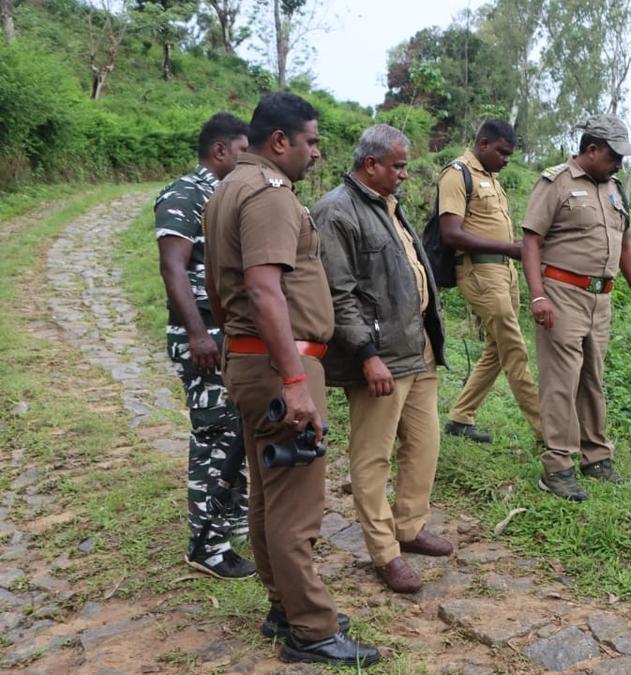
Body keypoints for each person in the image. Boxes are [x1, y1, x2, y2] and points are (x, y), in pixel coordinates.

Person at [204, 92, 378, 667]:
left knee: (269, 492)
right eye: (310, 141)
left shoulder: (228, 187)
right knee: (297, 505)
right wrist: (295, 378)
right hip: (282, 366)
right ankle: (310, 629)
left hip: (253, 360)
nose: (315, 153)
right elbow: (262, 289)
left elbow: (219, 290)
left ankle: (285, 607)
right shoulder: (270, 195)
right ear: (280, 141)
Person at [314, 124, 451, 595]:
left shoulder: (387, 205)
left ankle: (409, 527)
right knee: (372, 456)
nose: (405, 175)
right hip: (380, 356)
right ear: (370, 164)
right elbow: (339, 294)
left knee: (425, 443)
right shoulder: (336, 211)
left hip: (418, 349)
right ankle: (384, 552)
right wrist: (367, 356)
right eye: (398, 166)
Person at [521, 113, 631, 502]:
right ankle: (557, 466)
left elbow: (626, 246)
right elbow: (531, 241)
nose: (619, 164)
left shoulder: (615, 189)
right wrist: (538, 295)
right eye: (614, 156)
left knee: (592, 379)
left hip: (601, 299)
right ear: (591, 150)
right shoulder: (555, 182)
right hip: (562, 294)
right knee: (561, 382)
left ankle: (596, 457)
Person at [154, 112, 254, 580]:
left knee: (236, 429)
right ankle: (205, 545)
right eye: (241, 150)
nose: (246, 158)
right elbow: (173, 267)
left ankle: (230, 521)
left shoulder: (225, 196)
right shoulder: (184, 194)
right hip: (202, 335)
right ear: (220, 151)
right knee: (213, 435)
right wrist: (197, 335)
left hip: (227, 334)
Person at [441, 120, 542, 445]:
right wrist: (510, 248)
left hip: (504, 273)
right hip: (479, 273)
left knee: (497, 350)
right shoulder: (458, 174)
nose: (506, 160)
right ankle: (549, 432)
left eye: (510, 154)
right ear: (483, 144)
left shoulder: (492, 179)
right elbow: (451, 234)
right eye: (502, 152)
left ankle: (460, 416)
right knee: (514, 348)